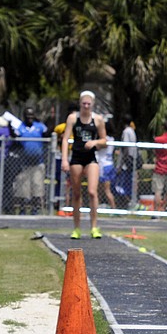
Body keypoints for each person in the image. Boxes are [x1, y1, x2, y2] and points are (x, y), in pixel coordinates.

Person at [61, 90, 109, 239]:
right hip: (76, 157)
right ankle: (76, 228)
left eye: (89, 104)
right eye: (84, 103)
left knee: (92, 192)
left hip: (91, 158)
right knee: (76, 194)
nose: (86, 106)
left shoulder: (98, 119)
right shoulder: (73, 118)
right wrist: (64, 159)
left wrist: (94, 142)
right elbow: (65, 139)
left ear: (92, 104)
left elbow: (104, 140)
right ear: (80, 104)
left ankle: (94, 226)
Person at [13, 107, 49, 215]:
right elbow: (15, 135)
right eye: (27, 115)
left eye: (31, 115)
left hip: (38, 163)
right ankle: (23, 209)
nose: (29, 118)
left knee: (37, 186)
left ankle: (35, 209)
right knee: (24, 188)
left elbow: (47, 134)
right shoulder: (20, 127)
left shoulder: (39, 126)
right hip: (24, 163)